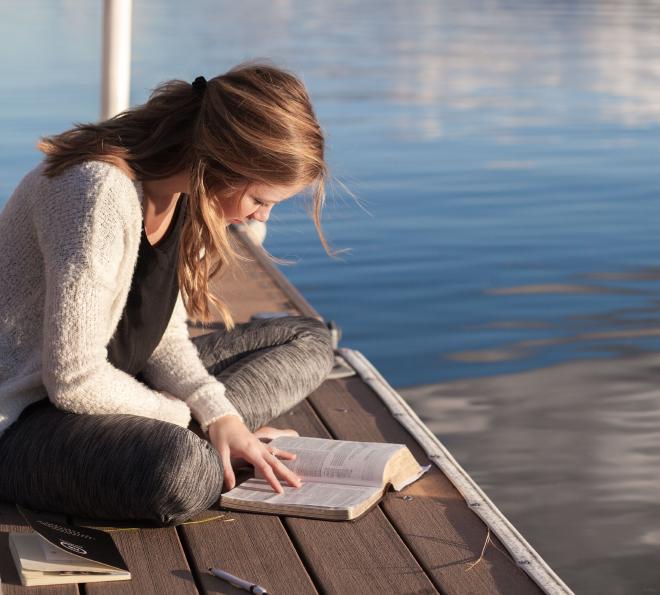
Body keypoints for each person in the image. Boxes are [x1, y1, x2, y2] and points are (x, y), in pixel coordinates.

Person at [0, 61, 336, 526]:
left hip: (120, 387)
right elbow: (73, 380)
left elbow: (163, 336)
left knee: (309, 340)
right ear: (219, 162)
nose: (262, 219)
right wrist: (182, 416)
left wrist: (221, 416)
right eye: (260, 200)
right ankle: (204, 447)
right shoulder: (96, 192)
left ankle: (219, 440)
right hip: (25, 419)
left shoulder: (183, 195)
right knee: (181, 473)